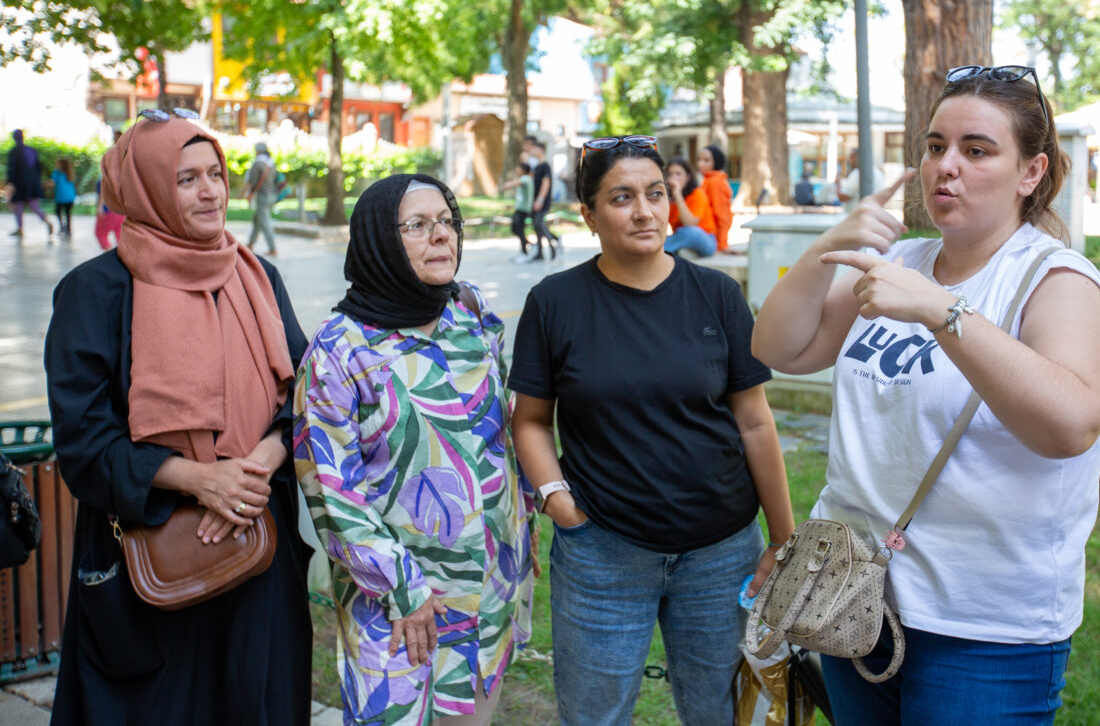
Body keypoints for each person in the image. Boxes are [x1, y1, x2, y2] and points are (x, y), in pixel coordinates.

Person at [753, 64, 1100, 724]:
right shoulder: (899, 264)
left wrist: (943, 313)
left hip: (984, 627)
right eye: (934, 146)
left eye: (977, 150)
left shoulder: (1058, 280)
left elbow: (1071, 425)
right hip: (853, 594)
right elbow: (780, 348)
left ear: (1031, 172)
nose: (945, 166)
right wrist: (830, 243)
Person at [509, 134, 795, 726]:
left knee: (723, 715)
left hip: (722, 554)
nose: (644, 211)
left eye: (655, 193)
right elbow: (531, 420)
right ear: (589, 215)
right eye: (621, 198)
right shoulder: (554, 301)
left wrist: (781, 538)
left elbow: (754, 421)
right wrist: (559, 502)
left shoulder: (717, 295)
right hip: (602, 553)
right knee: (594, 716)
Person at [44, 110, 313, 725]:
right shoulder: (95, 291)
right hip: (154, 553)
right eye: (186, 179)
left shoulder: (257, 278)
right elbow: (83, 440)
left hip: (256, 542)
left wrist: (257, 464)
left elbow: (304, 397)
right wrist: (200, 479)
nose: (210, 191)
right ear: (146, 189)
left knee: (256, 701)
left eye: (215, 173)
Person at [293, 174, 536, 726]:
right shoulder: (339, 350)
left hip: (488, 585)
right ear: (379, 239)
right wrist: (404, 588)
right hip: (399, 602)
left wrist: (521, 526)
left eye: (448, 221)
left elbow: (496, 434)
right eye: (419, 225)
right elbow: (331, 491)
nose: (442, 235)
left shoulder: (469, 310)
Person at [662, 155, 718, 258]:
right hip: (680, 237)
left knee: (691, 232)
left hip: (705, 239)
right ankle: (684, 251)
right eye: (670, 174)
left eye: (678, 174)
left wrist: (677, 194)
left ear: (687, 177)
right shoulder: (667, 199)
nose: (674, 178)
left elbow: (690, 223)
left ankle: (660, 250)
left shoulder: (697, 194)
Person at [7, 129, 55, 237]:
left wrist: (10, 183)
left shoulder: (14, 151)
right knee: (34, 205)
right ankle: (46, 220)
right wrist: (37, 182)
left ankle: (20, 228)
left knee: (18, 206)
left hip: (19, 183)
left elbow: (12, 169)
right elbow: (39, 168)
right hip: (33, 183)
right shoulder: (32, 150)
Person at [697, 143, 736, 253]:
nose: (700, 163)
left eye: (706, 160)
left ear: (716, 162)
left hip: (713, 240)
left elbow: (722, 215)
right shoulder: (707, 180)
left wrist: (722, 244)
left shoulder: (714, 182)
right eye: (699, 159)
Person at [528, 138, 562, 261]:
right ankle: (540, 252)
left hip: (542, 201)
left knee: (539, 224)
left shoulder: (545, 166)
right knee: (536, 225)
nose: (532, 151)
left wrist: (540, 199)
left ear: (541, 150)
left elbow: (545, 183)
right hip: (535, 200)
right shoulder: (536, 167)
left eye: (534, 149)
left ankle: (553, 245)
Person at [244, 141, 279, 255]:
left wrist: (249, 193)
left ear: (258, 151)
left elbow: (252, 181)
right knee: (258, 220)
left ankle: (273, 248)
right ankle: (250, 244)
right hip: (272, 194)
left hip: (263, 196)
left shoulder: (258, 163)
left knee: (265, 222)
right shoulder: (271, 162)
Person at [502, 161, 535, 262]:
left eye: (519, 168)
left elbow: (518, 183)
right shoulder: (525, 178)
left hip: (523, 210)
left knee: (519, 230)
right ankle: (530, 245)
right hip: (520, 208)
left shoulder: (526, 178)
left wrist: (508, 185)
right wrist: (513, 206)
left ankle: (525, 253)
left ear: (523, 170)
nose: (517, 169)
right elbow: (522, 197)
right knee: (515, 229)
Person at [836, 146, 887, 211]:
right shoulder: (878, 172)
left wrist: (837, 184)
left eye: (852, 158)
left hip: (859, 214)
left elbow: (843, 197)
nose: (849, 161)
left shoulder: (858, 173)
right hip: (874, 212)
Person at [52, 157, 77, 235]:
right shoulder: (69, 173)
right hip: (70, 196)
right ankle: (68, 229)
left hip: (61, 197)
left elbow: (52, 182)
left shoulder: (57, 173)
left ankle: (62, 227)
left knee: (58, 212)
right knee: (67, 213)